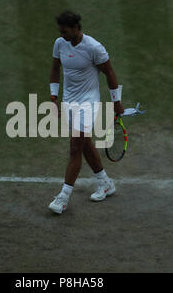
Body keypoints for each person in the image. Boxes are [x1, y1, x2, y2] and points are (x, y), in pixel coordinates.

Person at [48, 11, 124, 214]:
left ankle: (63, 197)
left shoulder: (93, 47)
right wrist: (54, 97)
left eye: (65, 31)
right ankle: (105, 182)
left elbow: (109, 72)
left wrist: (117, 102)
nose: (62, 35)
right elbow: (55, 69)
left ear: (75, 28)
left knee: (75, 148)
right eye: (60, 32)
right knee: (84, 144)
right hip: (68, 102)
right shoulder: (60, 43)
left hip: (89, 104)